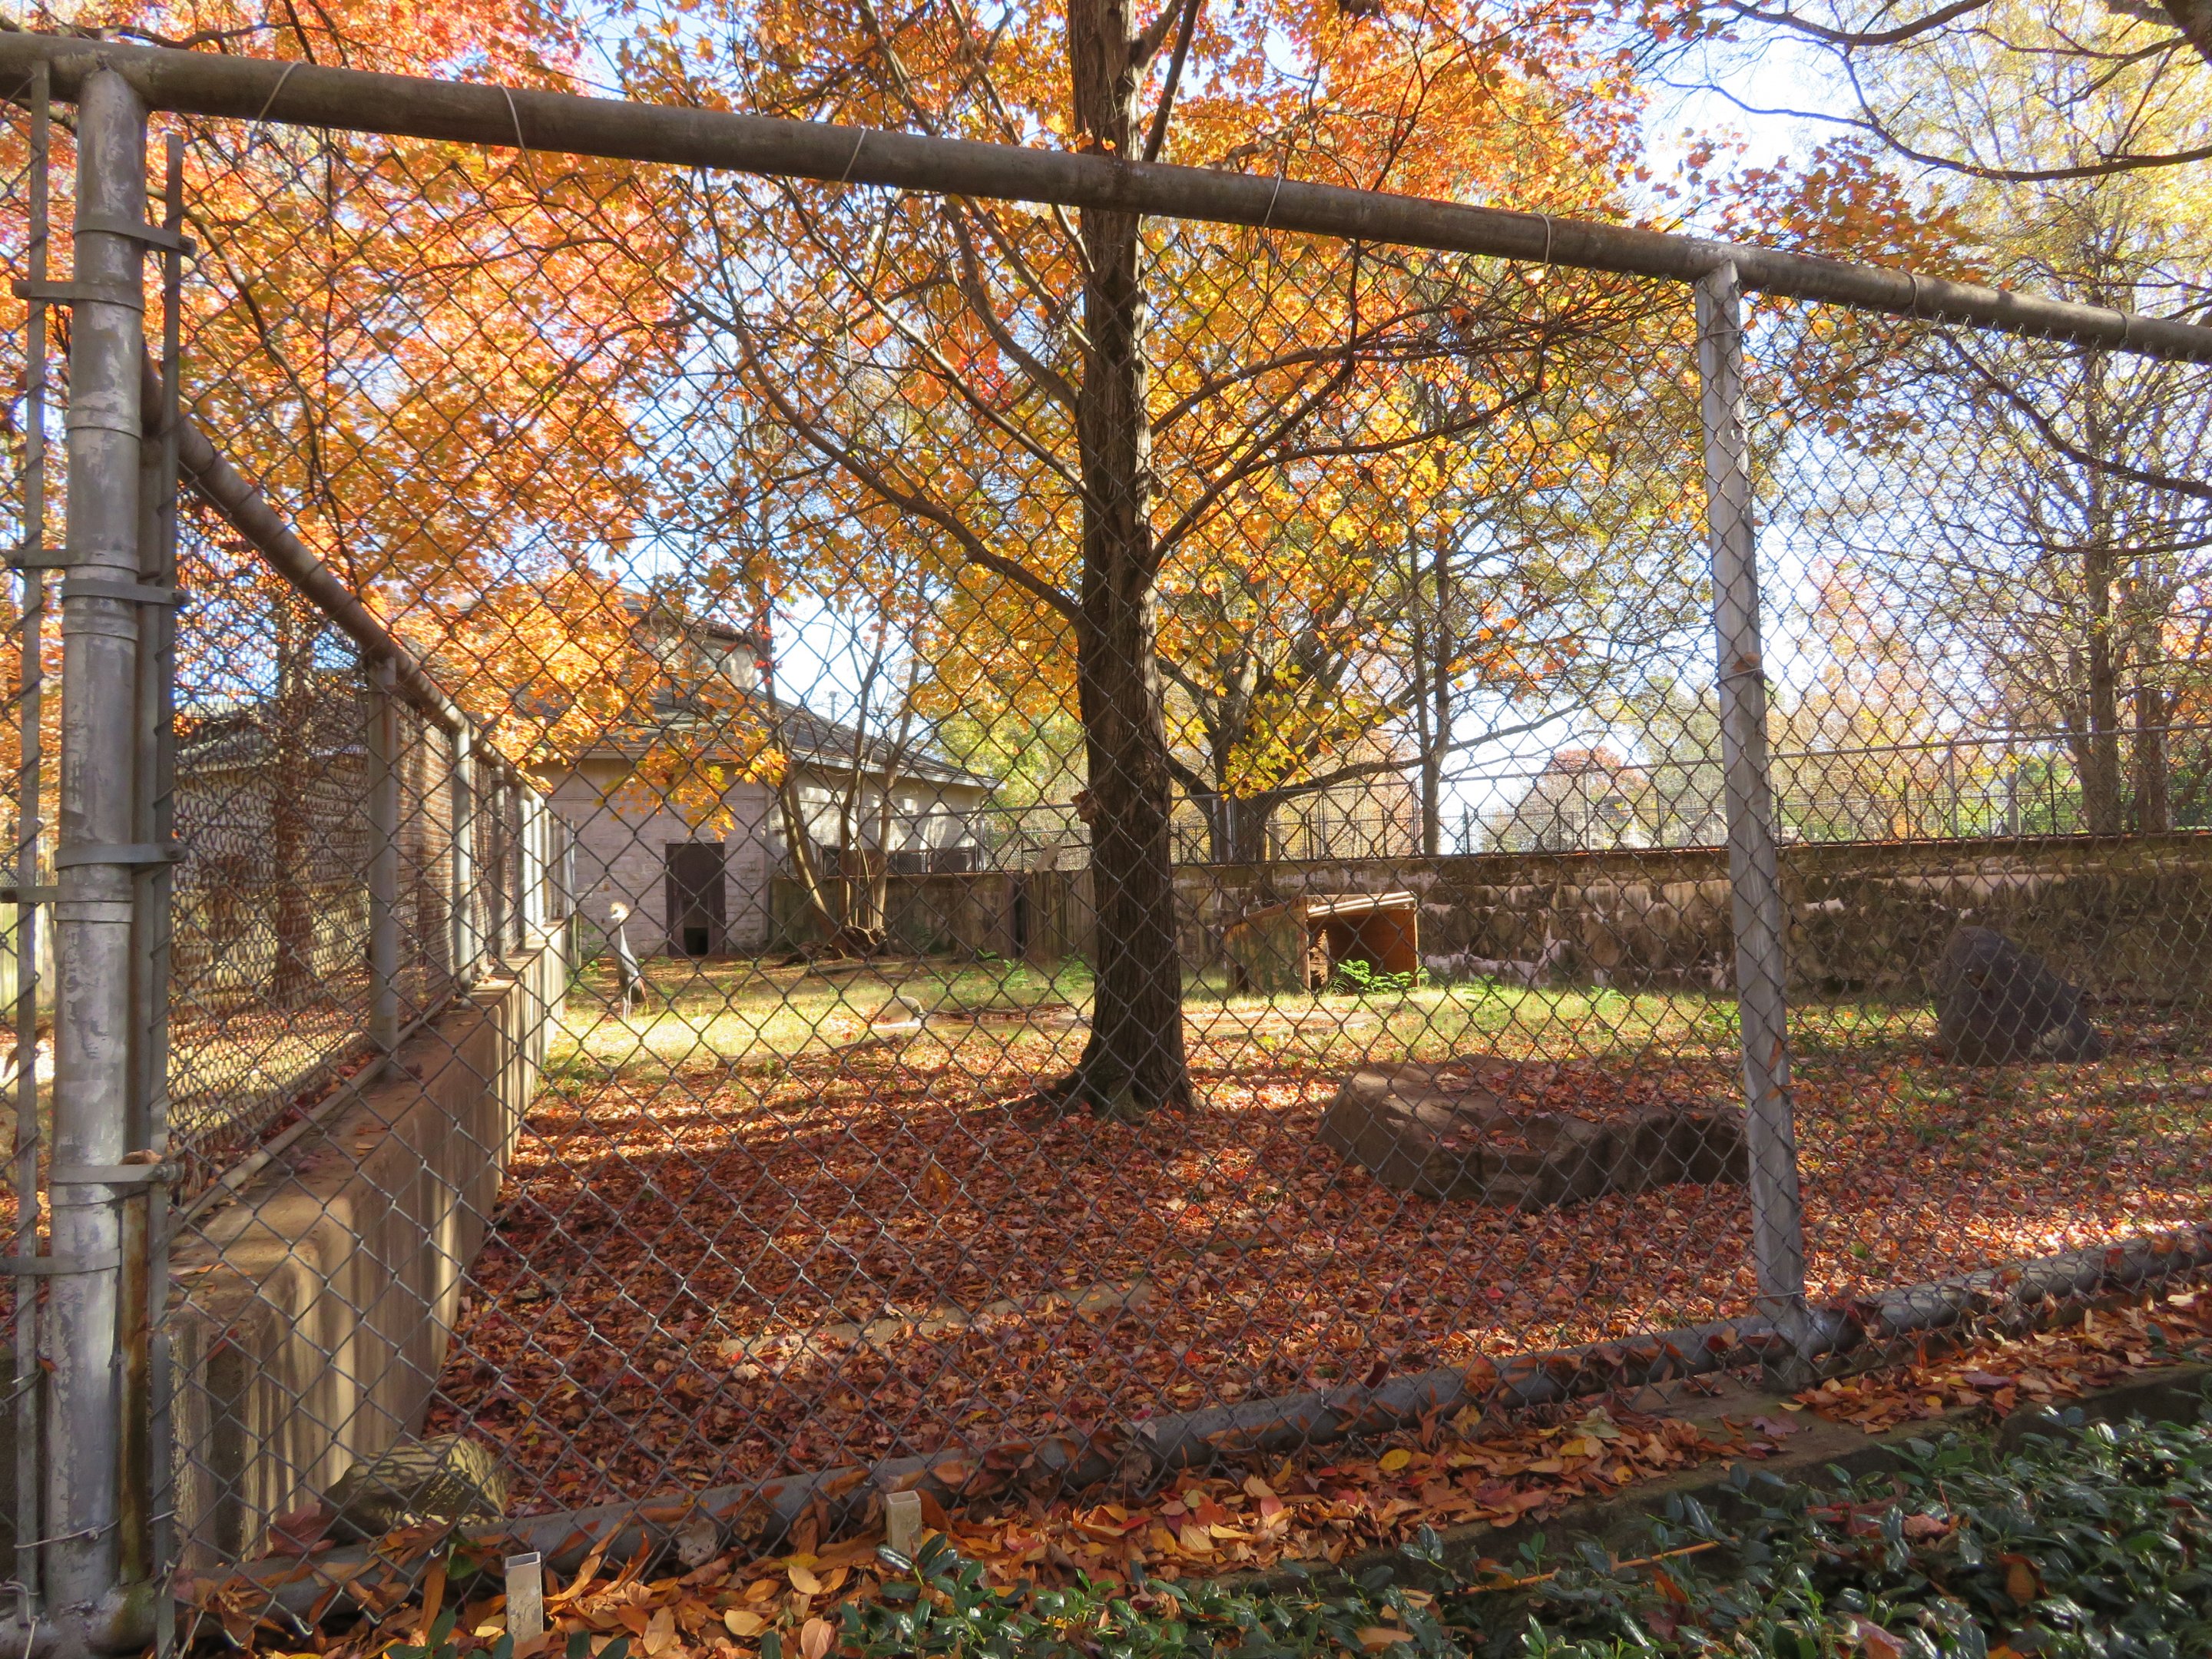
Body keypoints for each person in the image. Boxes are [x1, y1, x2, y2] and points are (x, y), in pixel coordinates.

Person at [606, 900, 645, 1016]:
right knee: (623, 993)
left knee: (628, 994)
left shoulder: (629, 957)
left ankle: (627, 1016)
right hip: (623, 977)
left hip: (633, 977)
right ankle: (624, 1017)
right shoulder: (618, 955)